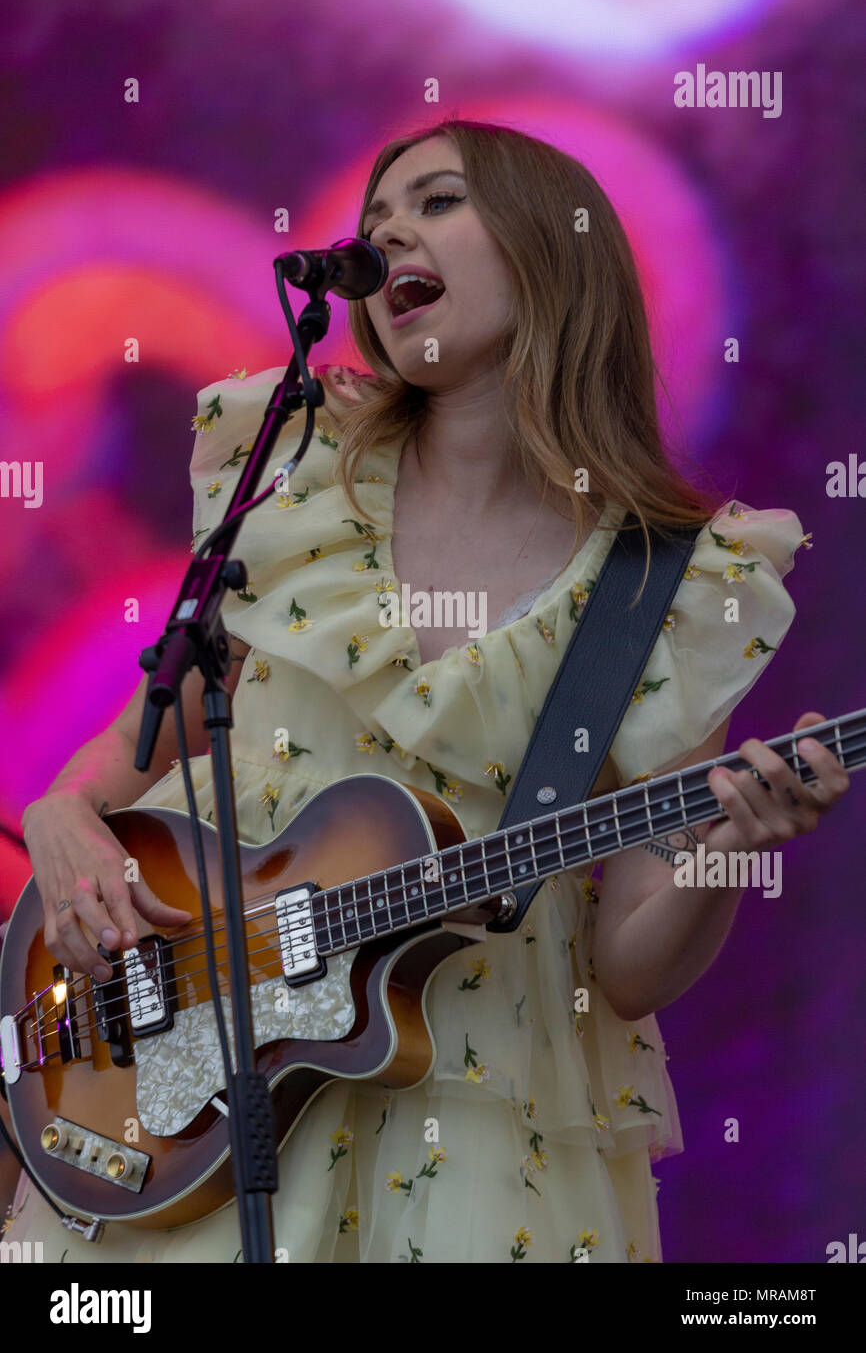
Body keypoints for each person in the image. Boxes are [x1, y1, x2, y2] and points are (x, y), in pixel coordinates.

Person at [3, 119, 849, 1264]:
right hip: (200, 1070)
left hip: (478, 1114)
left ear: (555, 247)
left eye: (439, 200)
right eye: (379, 216)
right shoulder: (297, 469)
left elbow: (626, 967)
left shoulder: (669, 581)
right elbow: (152, 736)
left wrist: (727, 850)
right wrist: (61, 817)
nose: (391, 228)